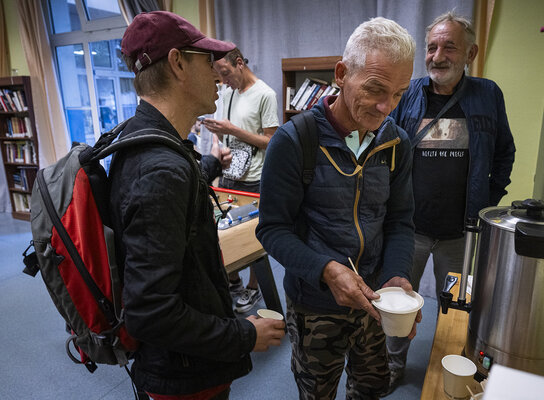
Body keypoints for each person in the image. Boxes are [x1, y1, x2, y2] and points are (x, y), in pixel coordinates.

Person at [111, 11, 285, 400]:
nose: (217, 75)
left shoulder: (145, 140)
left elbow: (175, 186)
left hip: (179, 364)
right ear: (177, 63)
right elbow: (150, 312)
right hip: (183, 376)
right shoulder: (159, 170)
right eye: (207, 61)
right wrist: (244, 334)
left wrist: (208, 165)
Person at [256, 17, 418, 399]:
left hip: (375, 299)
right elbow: (272, 229)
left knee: (371, 387)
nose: (386, 106)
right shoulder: (295, 141)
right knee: (318, 391)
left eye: (399, 93)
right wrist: (325, 270)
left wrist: (396, 276)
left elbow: (399, 221)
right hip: (315, 305)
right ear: (342, 74)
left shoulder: (397, 143)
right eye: (376, 88)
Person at [385, 11, 516, 394]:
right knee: (397, 303)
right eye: (431, 47)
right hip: (408, 228)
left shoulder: (487, 94)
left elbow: (505, 153)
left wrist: (488, 204)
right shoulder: (408, 94)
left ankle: (451, 369)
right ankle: (393, 365)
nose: (438, 55)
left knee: (458, 309)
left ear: (471, 52)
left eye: (449, 46)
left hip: (463, 232)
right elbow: (384, 148)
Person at [203, 48, 279, 313]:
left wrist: (232, 130)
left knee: (255, 238)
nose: (224, 82)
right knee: (223, 231)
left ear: (239, 64)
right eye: (218, 77)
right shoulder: (226, 93)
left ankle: (254, 287)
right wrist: (216, 145)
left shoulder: (265, 94)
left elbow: (272, 141)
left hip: (255, 180)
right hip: (227, 176)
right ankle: (233, 281)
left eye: (225, 73)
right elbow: (218, 130)